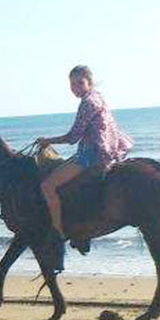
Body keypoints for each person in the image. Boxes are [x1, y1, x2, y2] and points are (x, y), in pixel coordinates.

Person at [37, 65, 134, 239]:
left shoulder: (88, 103)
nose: (76, 88)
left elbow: (73, 137)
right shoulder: (97, 96)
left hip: (92, 153)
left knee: (47, 186)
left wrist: (47, 141)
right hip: (105, 149)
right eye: (72, 84)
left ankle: (57, 231)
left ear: (90, 82)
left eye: (80, 83)